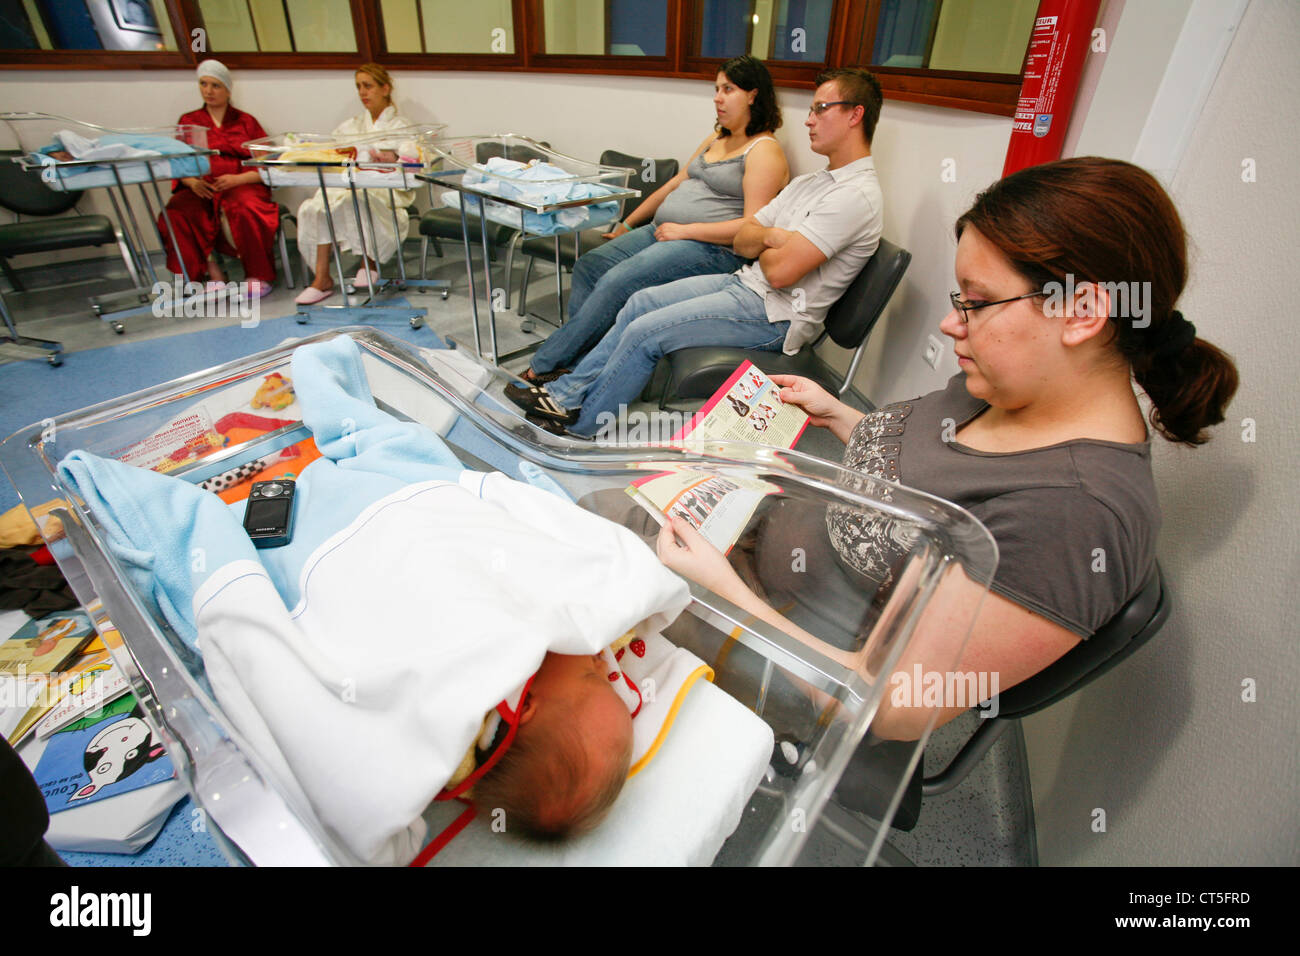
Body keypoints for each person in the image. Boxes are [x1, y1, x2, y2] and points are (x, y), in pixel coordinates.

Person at [654, 156, 1240, 740]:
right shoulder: (1013, 389)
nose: (949, 324)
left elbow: (888, 709)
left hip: (790, 653)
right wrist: (840, 416)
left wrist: (720, 588)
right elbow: (927, 474)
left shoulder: (1073, 518)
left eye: (977, 302)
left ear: (1082, 313)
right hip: (771, 549)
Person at [509, 68, 884, 438]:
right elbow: (745, 239)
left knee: (646, 331)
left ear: (855, 114)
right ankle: (565, 394)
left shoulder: (854, 196)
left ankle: (581, 424)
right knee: (639, 303)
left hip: (775, 315)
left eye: (821, 109)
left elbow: (780, 274)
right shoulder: (812, 183)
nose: (808, 120)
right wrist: (773, 236)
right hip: (744, 284)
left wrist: (764, 241)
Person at [512, 55, 789, 386]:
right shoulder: (717, 138)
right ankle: (580, 362)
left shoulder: (764, 151)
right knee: (590, 265)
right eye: (716, 89)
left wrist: (685, 230)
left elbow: (750, 228)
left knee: (619, 281)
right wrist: (626, 225)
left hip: (711, 247)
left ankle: (545, 364)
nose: (717, 98)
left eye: (727, 89)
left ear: (753, 95)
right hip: (664, 232)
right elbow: (674, 184)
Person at [294, 64, 416, 305]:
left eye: (368, 86)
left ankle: (368, 262)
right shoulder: (350, 126)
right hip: (347, 183)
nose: (363, 92)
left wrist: (393, 157)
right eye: (359, 87)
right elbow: (333, 155)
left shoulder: (401, 126)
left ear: (385, 88)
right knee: (315, 205)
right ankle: (321, 278)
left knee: (358, 199)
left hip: (382, 191)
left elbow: (413, 160)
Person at [157, 60, 279, 295]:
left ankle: (258, 275)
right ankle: (211, 273)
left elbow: (265, 161)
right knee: (177, 212)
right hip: (201, 186)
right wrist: (192, 182)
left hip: (240, 182)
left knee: (247, 207)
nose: (209, 91)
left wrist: (238, 180)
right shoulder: (189, 122)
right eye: (204, 84)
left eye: (215, 85)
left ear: (227, 90)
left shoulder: (246, 122)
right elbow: (179, 160)